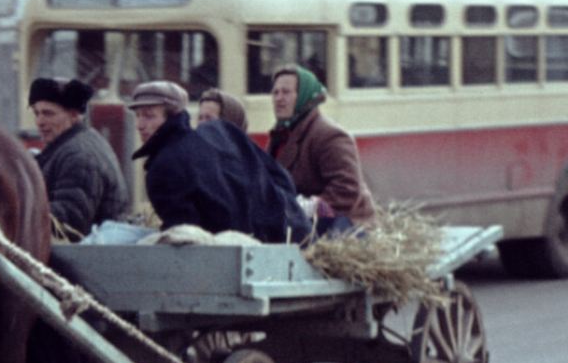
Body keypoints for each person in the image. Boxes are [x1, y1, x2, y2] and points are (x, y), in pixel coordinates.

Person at [127, 80, 311, 244]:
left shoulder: (162, 168)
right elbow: (282, 178)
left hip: (248, 257)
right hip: (296, 238)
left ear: (174, 113)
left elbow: (184, 237)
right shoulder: (222, 130)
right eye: (138, 116)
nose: (139, 125)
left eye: (149, 116)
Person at [266, 66, 376, 228]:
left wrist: (308, 207)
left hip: (344, 223)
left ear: (304, 96)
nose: (279, 98)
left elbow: (347, 190)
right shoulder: (279, 137)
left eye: (286, 92)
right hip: (302, 221)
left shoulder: (330, 135)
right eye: (275, 93)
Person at [29, 76, 131, 237]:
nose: (40, 121)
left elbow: (71, 222)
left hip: (89, 257)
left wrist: (18, 209)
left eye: (48, 114)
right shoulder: (69, 146)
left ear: (74, 115)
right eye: (37, 113)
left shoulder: (80, 155)